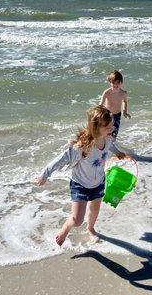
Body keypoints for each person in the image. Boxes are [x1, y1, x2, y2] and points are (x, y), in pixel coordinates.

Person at [35, 105, 127, 246]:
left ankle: (90, 229)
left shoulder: (107, 140)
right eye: (108, 127)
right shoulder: (83, 146)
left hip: (98, 183)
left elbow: (110, 147)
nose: (112, 129)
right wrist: (44, 174)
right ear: (96, 128)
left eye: (112, 125)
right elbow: (61, 158)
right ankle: (66, 228)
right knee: (78, 220)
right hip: (80, 185)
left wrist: (118, 152)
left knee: (95, 210)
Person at [99, 70, 131, 139]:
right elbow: (101, 104)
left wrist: (125, 111)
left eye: (118, 83)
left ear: (121, 83)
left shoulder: (123, 93)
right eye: (113, 83)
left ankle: (112, 143)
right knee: (106, 131)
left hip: (117, 115)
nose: (116, 85)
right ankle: (105, 142)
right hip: (107, 115)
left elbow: (125, 102)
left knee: (115, 132)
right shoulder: (107, 92)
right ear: (110, 82)